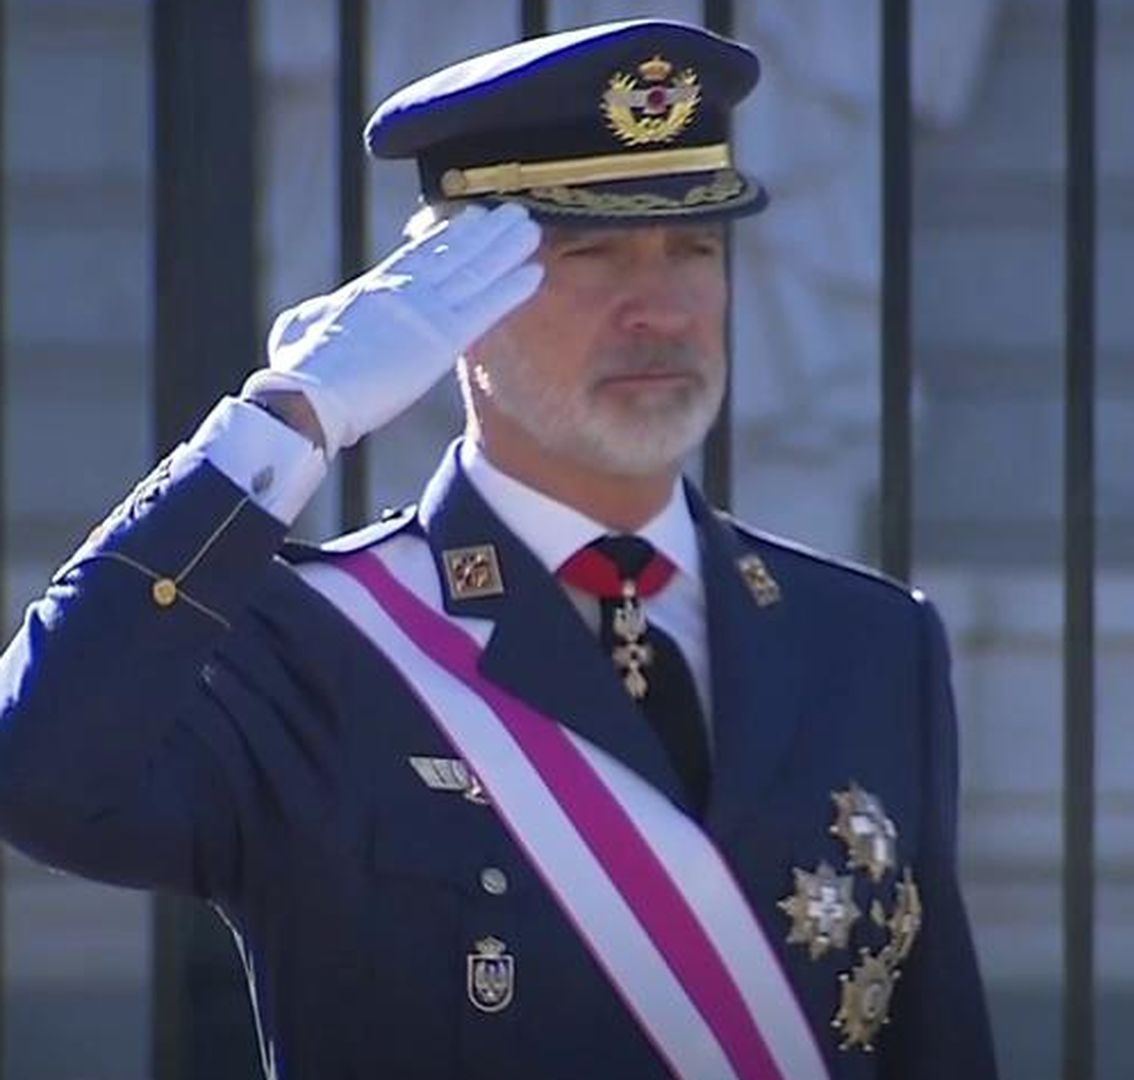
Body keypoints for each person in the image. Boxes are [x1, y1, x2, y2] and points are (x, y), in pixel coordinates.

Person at [0, 18, 995, 1080]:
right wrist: (286, 423)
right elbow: (40, 777)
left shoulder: (870, 642)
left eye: (694, 248)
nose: (658, 307)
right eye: (590, 252)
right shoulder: (317, 644)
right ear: (452, 300)